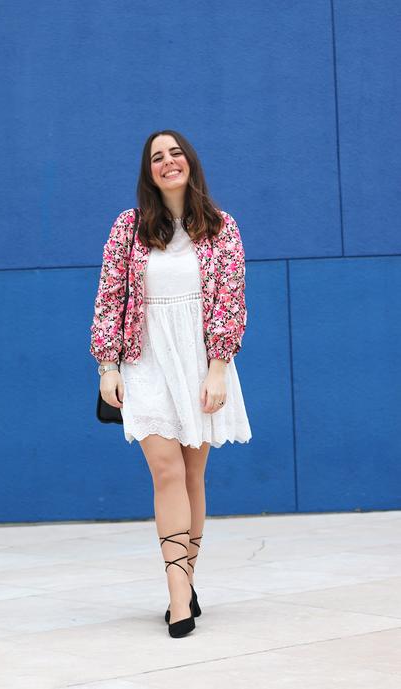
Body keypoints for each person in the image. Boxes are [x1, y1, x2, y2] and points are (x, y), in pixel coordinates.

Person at [90, 129, 252, 638]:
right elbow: (109, 296)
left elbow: (231, 299)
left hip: (200, 361)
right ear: (148, 171)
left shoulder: (222, 227)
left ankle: (186, 581)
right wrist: (107, 366)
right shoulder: (128, 228)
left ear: (190, 162)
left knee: (192, 475)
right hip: (146, 360)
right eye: (157, 157)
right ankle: (178, 597)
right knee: (165, 471)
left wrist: (219, 367)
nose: (167, 162)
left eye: (175, 153)